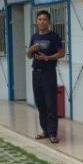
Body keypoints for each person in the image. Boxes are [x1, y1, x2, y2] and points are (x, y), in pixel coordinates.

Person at [26, 9, 64, 144]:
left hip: (48, 73)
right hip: (36, 73)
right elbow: (29, 55)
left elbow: (61, 53)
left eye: (44, 20)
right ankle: (45, 130)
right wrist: (30, 50)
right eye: (39, 19)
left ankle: (53, 133)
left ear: (49, 22)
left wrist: (47, 57)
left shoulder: (54, 36)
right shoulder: (34, 37)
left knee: (51, 103)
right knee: (40, 103)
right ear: (36, 21)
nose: (42, 22)